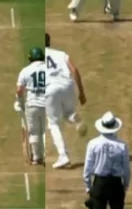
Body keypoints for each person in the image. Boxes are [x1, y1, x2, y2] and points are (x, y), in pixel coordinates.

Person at [45, 33, 88, 168]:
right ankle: (75, 118)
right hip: (67, 85)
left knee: (53, 123)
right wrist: (81, 92)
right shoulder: (61, 54)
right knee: (68, 113)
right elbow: (74, 70)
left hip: (50, 89)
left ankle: (63, 155)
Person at [83, 111, 131, 209]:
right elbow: (127, 170)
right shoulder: (122, 145)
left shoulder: (93, 144)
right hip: (116, 184)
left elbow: (87, 168)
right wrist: (124, 186)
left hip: (100, 184)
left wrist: (88, 187)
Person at [15, 47, 48, 165]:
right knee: (45, 131)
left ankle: (36, 157)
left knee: (34, 132)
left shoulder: (25, 70)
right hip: (47, 103)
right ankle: (46, 155)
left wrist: (19, 102)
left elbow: (19, 90)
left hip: (32, 104)